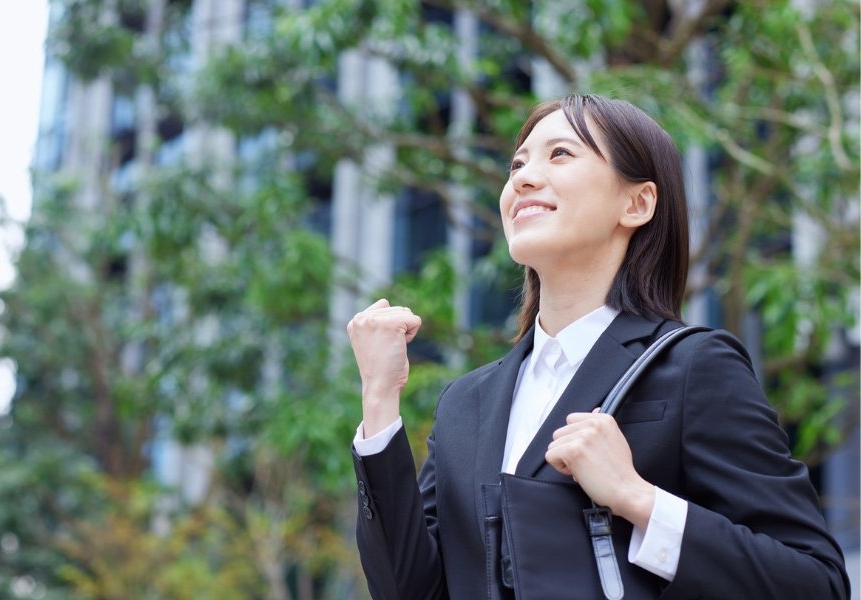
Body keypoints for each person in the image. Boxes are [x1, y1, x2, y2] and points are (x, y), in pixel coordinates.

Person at [346, 94, 850, 599]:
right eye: (517, 163)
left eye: (559, 154)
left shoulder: (693, 366)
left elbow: (816, 582)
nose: (521, 178)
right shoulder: (465, 403)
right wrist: (379, 400)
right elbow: (409, 590)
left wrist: (639, 499)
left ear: (637, 204)